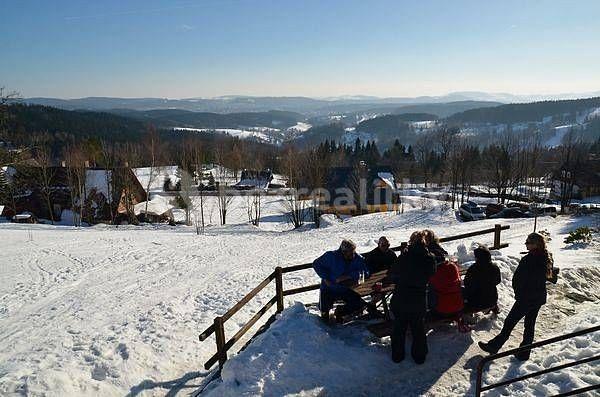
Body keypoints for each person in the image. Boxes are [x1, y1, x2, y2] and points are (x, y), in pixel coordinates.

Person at [479, 232, 553, 361]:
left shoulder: (529, 259)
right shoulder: (545, 257)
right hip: (538, 297)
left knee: (509, 322)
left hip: (526, 298)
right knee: (529, 325)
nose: (526, 244)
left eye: (528, 242)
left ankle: (494, 346)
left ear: (536, 244)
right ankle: (524, 353)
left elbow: (519, 279)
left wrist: (519, 294)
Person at [389, 231, 436, 364]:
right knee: (418, 329)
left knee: (399, 328)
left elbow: (392, 273)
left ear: (411, 241)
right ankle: (419, 356)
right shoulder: (429, 257)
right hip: (419, 298)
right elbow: (432, 273)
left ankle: (397, 356)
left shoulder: (404, 257)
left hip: (401, 297)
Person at [313, 239, 373, 322]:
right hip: (329, 288)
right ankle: (325, 320)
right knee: (324, 313)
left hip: (347, 289)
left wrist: (349, 276)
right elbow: (316, 264)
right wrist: (326, 278)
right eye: (350, 252)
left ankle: (340, 312)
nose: (352, 254)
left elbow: (365, 272)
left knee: (358, 304)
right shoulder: (331, 256)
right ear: (343, 252)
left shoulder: (357, 258)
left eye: (353, 251)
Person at [463, 245, 501, 310]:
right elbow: (498, 281)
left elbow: (466, 283)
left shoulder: (473, 269)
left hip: (476, 303)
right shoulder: (494, 267)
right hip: (492, 300)